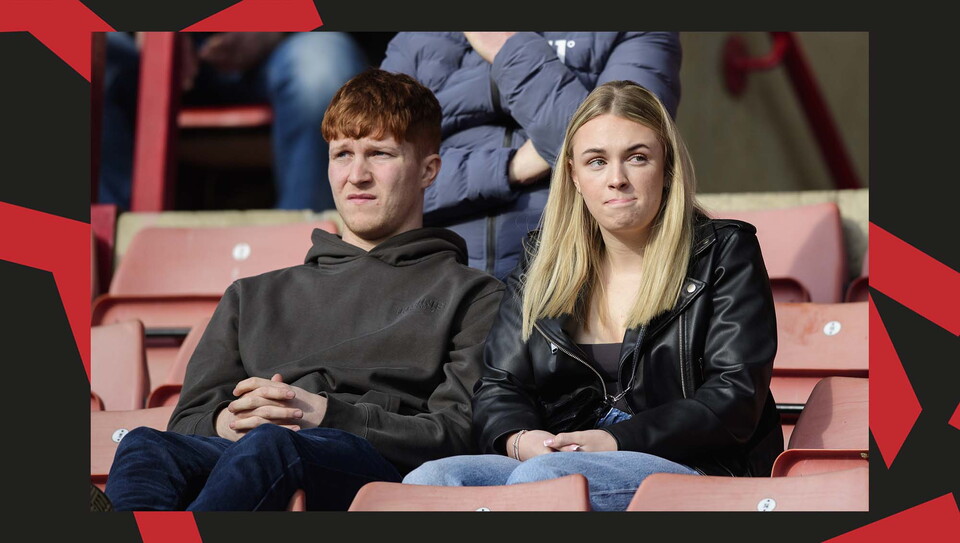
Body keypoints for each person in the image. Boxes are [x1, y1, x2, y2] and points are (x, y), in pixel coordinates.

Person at [103, 69, 505, 511]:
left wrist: (324, 414)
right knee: (147, 446)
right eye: (343, 155)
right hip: (251, 451)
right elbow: (188, 419)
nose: (357, 175)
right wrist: (228, 421)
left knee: (274, 446)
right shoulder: (251, 295)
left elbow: (460, 431)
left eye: (380, 154)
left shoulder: (474, 295)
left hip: (377, 467)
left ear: (428, 170)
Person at [403, 81, 783, 511]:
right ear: (573, 176)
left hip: (696, 465)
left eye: (637, 158)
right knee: (432, 479)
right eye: (596, 161)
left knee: (547, 481)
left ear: (667, 167)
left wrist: (614, 440)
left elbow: (734, 396)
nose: (616, 179)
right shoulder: (540, 262)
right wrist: (520, 440)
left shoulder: (721, 252)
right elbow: (501, 385)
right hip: (560, 458)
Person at [381, 32, 681, 280]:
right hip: (434, 281)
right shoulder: (416, 38)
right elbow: (379, 177)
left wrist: (509, 49)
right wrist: (510, 167)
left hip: (574, 275)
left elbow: (622, 154)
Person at [98, 31, 369, 211]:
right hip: (148, 53)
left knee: (323, 71)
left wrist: (272, 28)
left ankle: (310, 260)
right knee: (84, 55)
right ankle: (117, 253)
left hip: (283, 44)